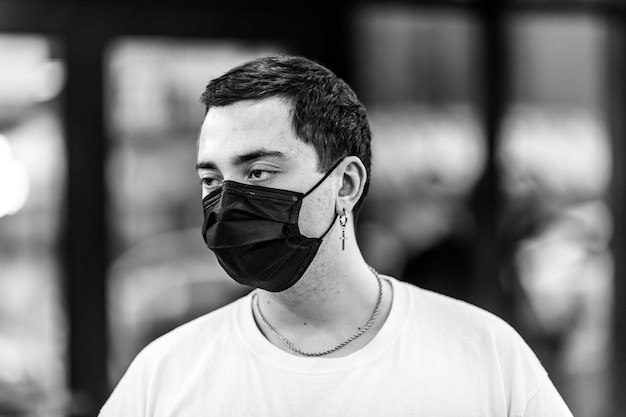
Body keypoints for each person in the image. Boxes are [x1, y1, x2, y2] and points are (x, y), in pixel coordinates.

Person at [98, 54, 573, 416]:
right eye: (211, 180)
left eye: (259, 172)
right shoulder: (164, 376)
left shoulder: (484, 354)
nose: (226, 204)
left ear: (345, 184)